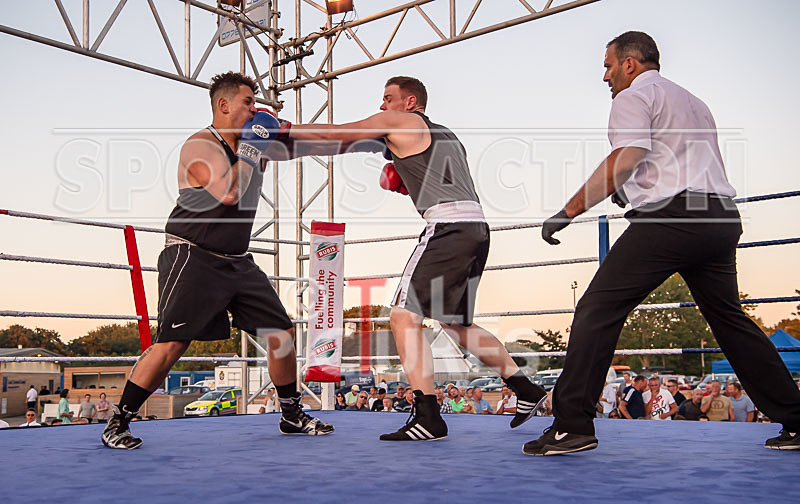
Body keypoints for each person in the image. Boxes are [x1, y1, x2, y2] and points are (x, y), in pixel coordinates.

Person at [525, 31, 800, 455]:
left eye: (608, 65)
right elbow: (674, 159)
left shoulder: (632, 96)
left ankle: (572, 426)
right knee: (731, 322)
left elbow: (628, 155)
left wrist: (568, 211)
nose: (605, 76)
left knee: (597, 309)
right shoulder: (692, 101)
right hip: (720, 217)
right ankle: (798, 419)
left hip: (671, 221)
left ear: (630, 64)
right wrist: (629, 186)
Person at [288, 76, 547, 441]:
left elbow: (342, 135)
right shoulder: (448, 137)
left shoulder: (403, 121)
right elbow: (419, 178)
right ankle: (526, 389)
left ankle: (428, 415)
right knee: (456, 324)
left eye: (388, 98)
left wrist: (285, 132)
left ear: (410, 102)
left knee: (403, 317)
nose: (382, 107)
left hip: (447, 227)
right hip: (476, 229)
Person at [100, 72, 334, 449]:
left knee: (282, 334)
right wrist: (256, 144)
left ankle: (291, 415)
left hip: (237, 259)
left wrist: (377, 138)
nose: (255, 109)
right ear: (224, 106)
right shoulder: (201, 145)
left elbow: (308, 143)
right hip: (193, 252)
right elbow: (229, 192)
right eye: (247, 102)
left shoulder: (251, 143)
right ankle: (118, 421)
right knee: (173, 343)